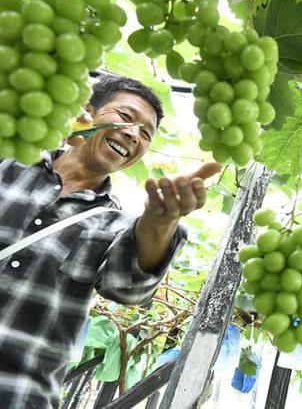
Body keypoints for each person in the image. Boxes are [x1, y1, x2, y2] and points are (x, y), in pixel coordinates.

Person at [0, 75, 221, 408]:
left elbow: (129, 287)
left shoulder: (115, 223)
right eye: (126, 117)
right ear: (87, 111)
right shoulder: (8, 161)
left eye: (146, 133)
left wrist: (161, 222)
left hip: (17, 395)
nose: (134, 134)